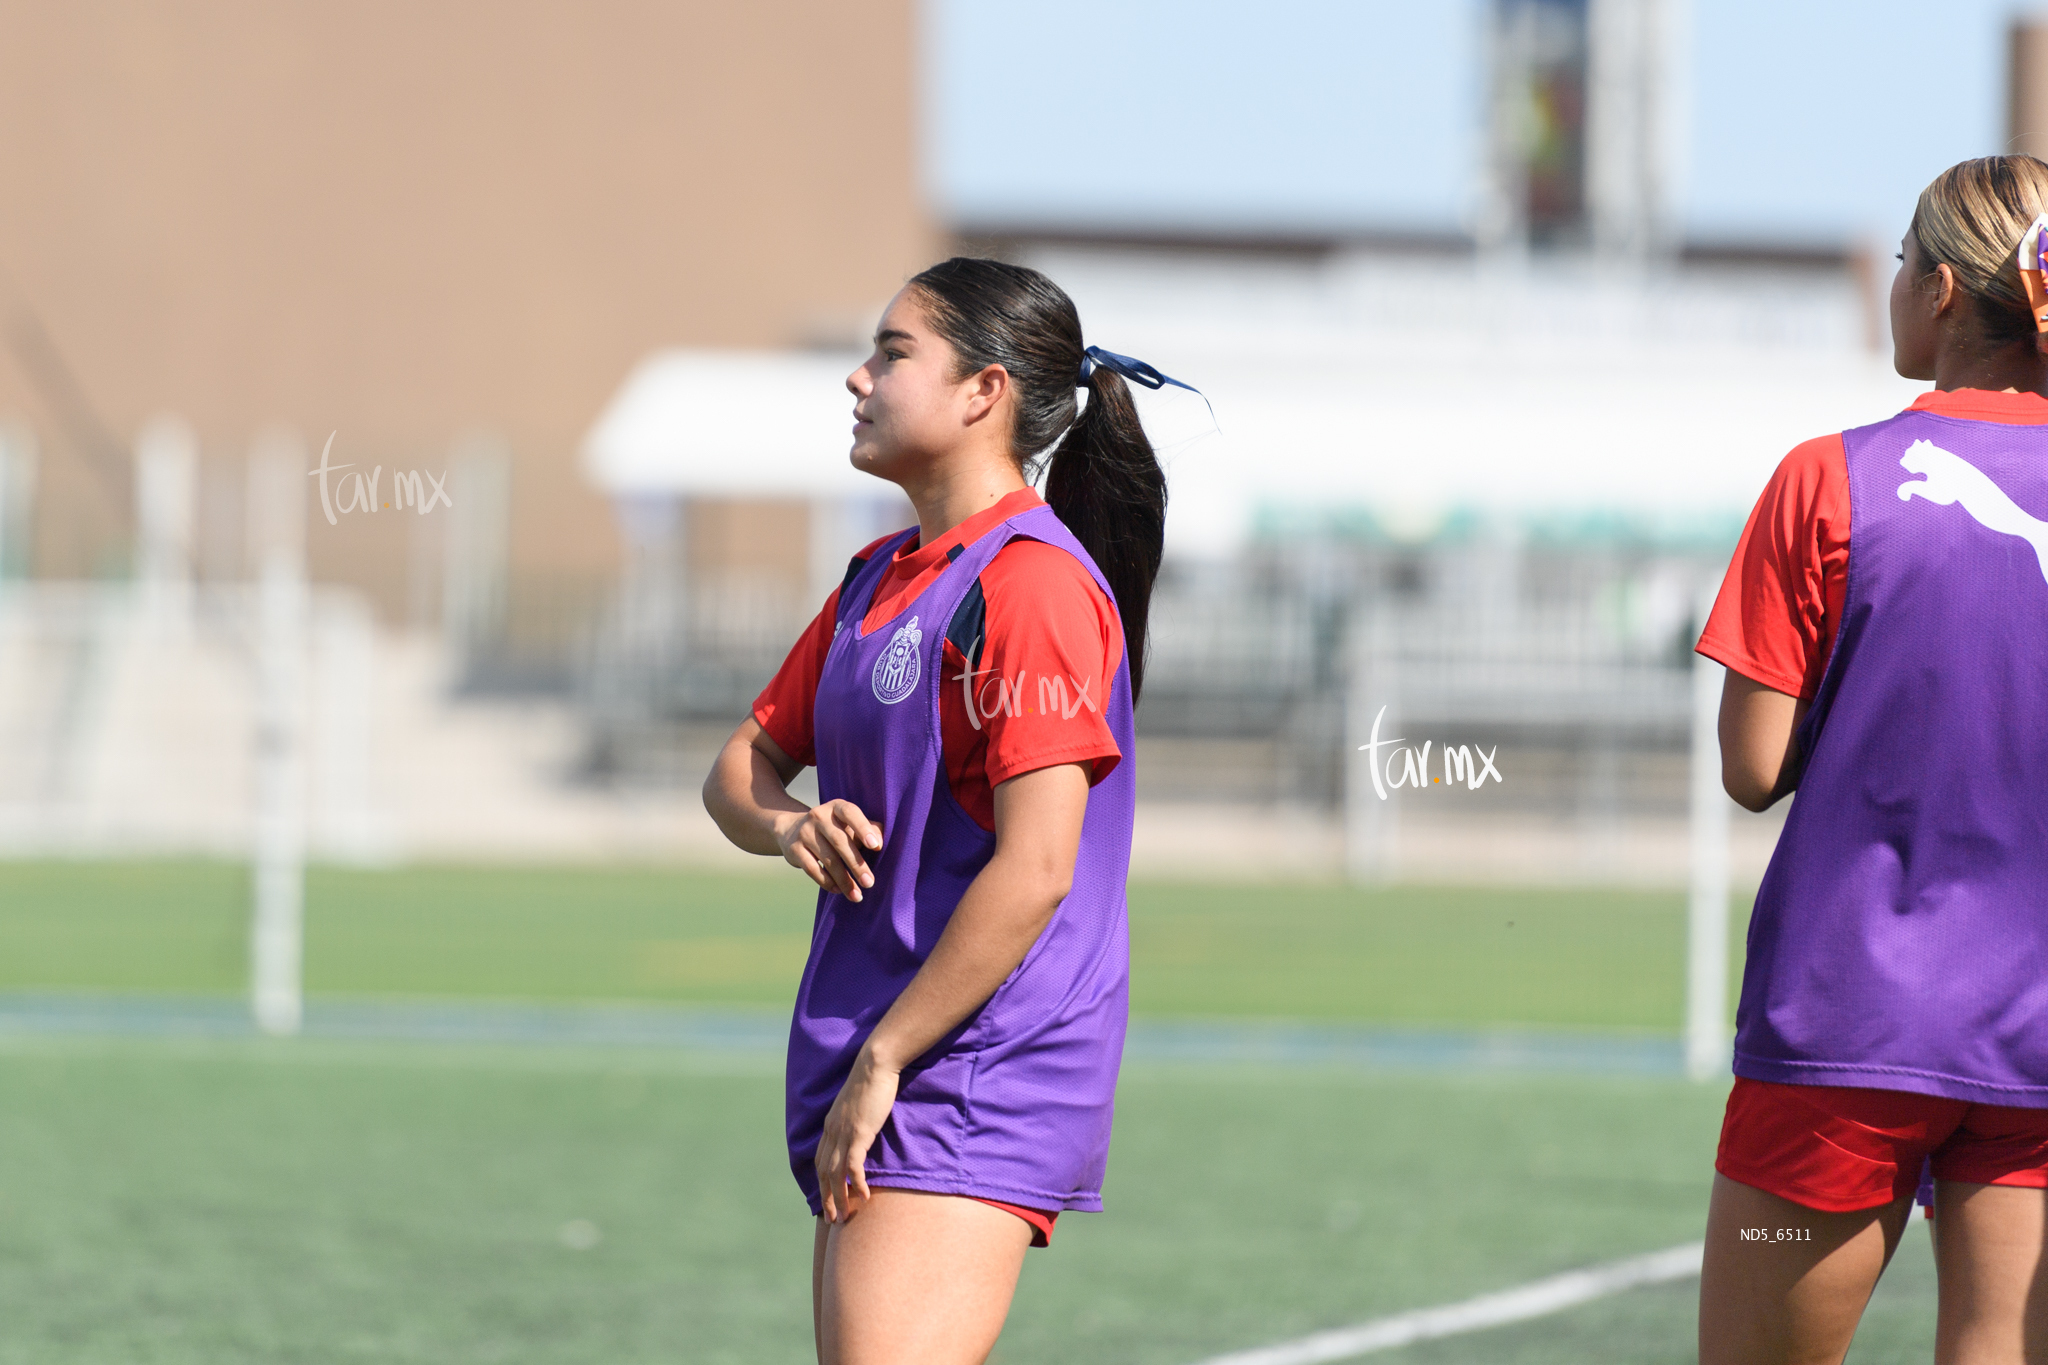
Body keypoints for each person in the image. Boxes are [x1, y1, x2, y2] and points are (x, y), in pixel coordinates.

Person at [703, 257, 1178, 1364]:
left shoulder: (1034, 587)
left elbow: (1038, 868)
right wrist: (786, 824)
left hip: (970, 1061)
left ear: (983, 392)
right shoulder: (877, 576)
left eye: (891, 351)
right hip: (883, 1045)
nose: (856, 380)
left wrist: (887, 1058)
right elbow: (740, 765)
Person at [1695, 156, 2048, 1364]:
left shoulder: (1822, 478)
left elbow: (1751, 765)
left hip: (1846, 1018)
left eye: (1900, 265)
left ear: (1941, 290)